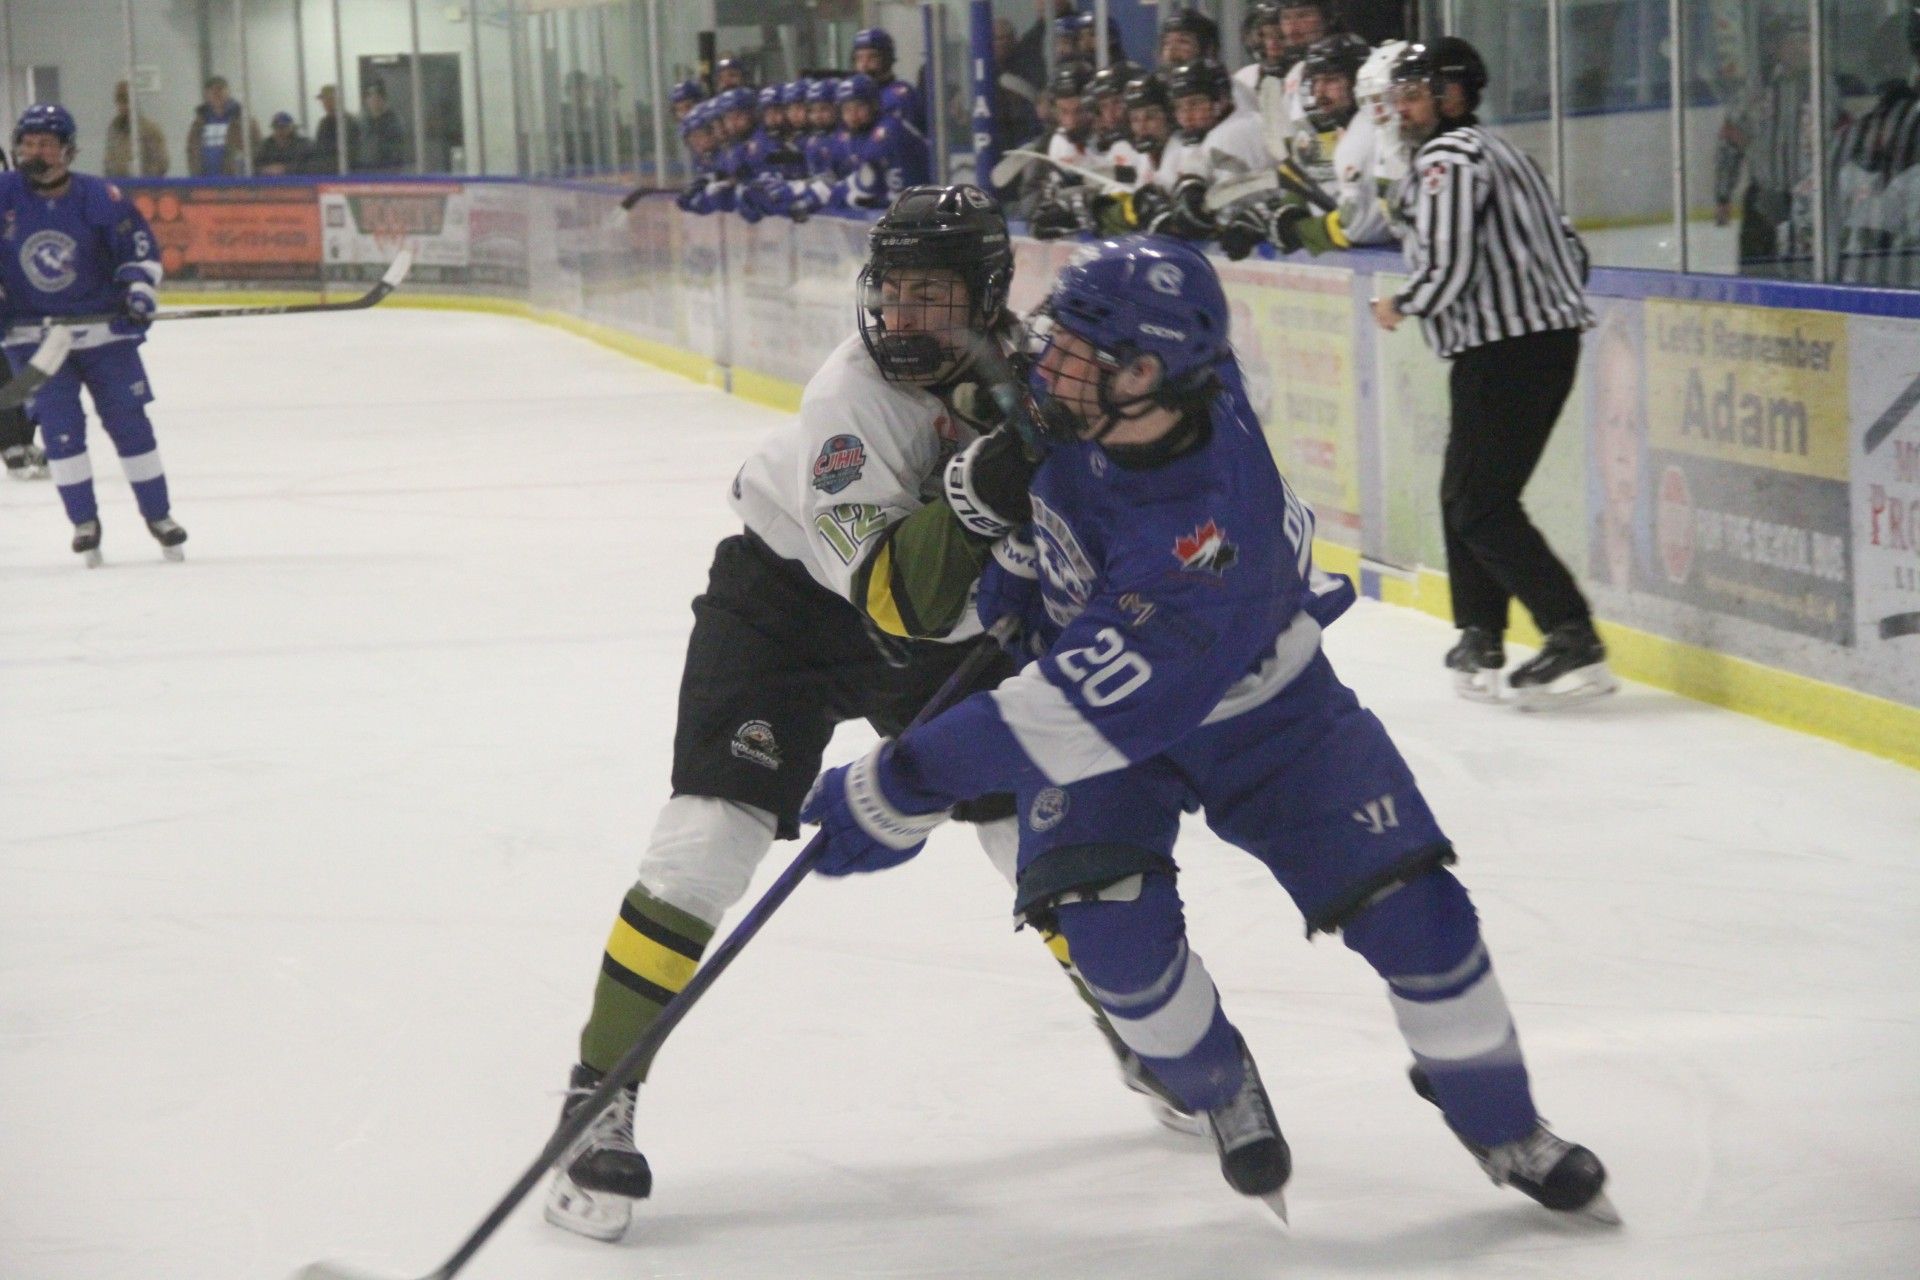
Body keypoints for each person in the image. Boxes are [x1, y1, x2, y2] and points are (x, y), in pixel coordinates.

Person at [799, 234, 1618, 1223]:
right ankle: (1219, 1078)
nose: (1047, 361)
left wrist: (897, 784)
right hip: (1121, 682)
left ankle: (1504, 1124)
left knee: (1423, 919)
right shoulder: (1143, 378)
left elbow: (1064, 711)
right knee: (1112, 943)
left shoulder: (1197, 541)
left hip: (1266, 713)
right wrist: (1015, 568)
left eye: (1075, 350)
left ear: (1144, 377)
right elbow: (1067, 443)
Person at [542, 187, 1194, 1243]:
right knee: (708, 838)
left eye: (929, 295)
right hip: (788, 609)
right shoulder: (847, 401)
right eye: (890, 291)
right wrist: (995, 481)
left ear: (985, 296)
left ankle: (1142, 1020)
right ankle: (595, 1092)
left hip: (946, 635)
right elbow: (895, 596)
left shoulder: (1029, 369)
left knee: (1035, 832)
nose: (900, 316)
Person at [1370, 39, 1611, 705]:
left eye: (1417, 95)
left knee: (1478, 501)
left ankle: (1571, 634)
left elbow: (1448, 269)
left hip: (1509, 350)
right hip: (1526, 345)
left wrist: (1402, 302)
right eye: (1402, 96)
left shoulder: (1448, 159)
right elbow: (1572, 248)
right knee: (1465, 494)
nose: (1405, 109)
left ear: (1454, 95)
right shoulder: (1504, 151)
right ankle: (1481, 630)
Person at [0, 105, 185, 565]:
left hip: (105, 335)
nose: (33, 152)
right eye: (27, 142)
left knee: (130, 424)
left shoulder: (101, 196)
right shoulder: (2, 195)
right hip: (35, 339)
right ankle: (84, 523)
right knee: (62, 432)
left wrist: (138, 292)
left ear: (67, 150)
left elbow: (137, 250)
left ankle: (158, 515)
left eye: (44, 143)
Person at [1713, 14, 1846, 279]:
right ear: (1776, 47)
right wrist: (1722, 194)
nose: (1800, 48)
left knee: (1809, 279)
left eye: (1805, 41)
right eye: (1792, 41)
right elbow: (1730, 142)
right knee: (1756, 280)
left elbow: (1837, 147)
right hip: (1763, 202)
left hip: (1811, 205)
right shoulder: (1756, 91)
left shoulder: (1826, 89)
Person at [852, 26, 926, 133]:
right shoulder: (854, 97)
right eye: (859, 58)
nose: (864, 65)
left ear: (887, 59)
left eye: (872, 57)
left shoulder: (901, 96)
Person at [185, 75, 253, 176]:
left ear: (228, 92)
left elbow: (256, 148)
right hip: (203, 183)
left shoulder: (244, 121)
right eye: (212, 91)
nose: (217, 94)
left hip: (236, 183)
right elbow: (191, 150)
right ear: (206, 95)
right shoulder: (198, 124)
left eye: (220, 90)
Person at [103, 80, 168, 178]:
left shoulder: (150, 130)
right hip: (119, 187)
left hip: (144, 189)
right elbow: (108, 161)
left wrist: (144, 178)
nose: (122, 107)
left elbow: (162, 163)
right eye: (119, 101)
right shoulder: (114, 130)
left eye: (126, 101)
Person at [305, 84, 361, 173]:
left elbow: (352, 152)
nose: (325, 103)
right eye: (323, 100)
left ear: (337, 100)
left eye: (329, 99)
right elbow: (319, 149)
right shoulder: (323, 123)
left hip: (345, 172)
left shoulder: (349, 122)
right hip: (325, 171)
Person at [356, 79, 410, 172]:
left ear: (383, 98)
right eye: (370, 96)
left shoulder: (394, 122)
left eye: (377, 96)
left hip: (387, 175)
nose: (373, 100)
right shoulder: (362, 123)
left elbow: (398, 151)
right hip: (366, 174)